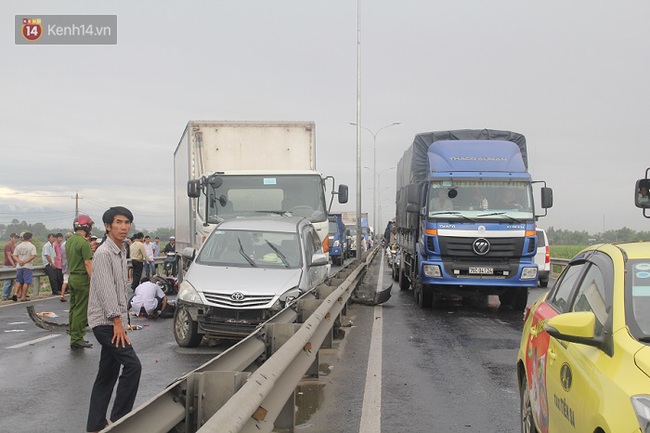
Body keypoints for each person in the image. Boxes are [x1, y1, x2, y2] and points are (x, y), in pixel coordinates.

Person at [86, 206, 142, 433]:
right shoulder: (103, 254)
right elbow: (105, 290)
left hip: (113, 321)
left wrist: (122, 320)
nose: (123, 227)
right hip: (105, 322)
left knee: (107, 374)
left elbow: (119, 290)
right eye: (118, 222)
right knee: (132, 366)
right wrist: (118, 322)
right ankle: (119, 420)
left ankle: (95, 425)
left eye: (127, 222)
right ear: (108, 226)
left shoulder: (120, 251)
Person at [66, 214, 95, 349]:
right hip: (82, 278)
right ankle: (77, 338)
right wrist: (94, 281)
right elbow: (88, 263)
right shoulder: (84, 243)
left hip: (71, 277)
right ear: (87, 227)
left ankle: (73, 332)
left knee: (73, 307)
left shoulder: (70, 241)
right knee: (81, 309)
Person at [12, 232, 36, 302]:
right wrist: (25, 261)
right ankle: (23, 296)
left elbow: (14, 255)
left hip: (19, 266)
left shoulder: (19, 246)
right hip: (27, 266)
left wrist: (19, 261)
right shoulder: (31, 246)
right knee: (27, 281)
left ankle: (15, 293)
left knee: (18, 280)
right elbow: (33, 255)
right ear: (30, 238)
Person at [2, 233, 18, 300]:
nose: (16, 239)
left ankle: (8, 295)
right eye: (14, 238)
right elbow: (9, 256)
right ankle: (4, 296)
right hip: (8, 265)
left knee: (11, 282)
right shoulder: (8, 246)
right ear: (11, 238)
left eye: (16, 238)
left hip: (12, 265)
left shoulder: (13, 246)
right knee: (7, 282)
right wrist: (13, 264)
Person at [59, 232, 73, 302]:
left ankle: (62, 295)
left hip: (64, 264)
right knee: (70, 280)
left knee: (65, 280)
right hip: (70, 264)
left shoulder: (62, 245)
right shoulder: (70, 244)